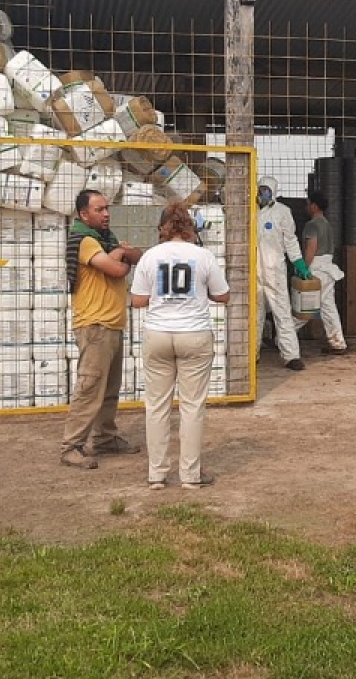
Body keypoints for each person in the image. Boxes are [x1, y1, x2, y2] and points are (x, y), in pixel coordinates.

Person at [130, 202, 230, 489]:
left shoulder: (151, 256)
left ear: (161, 227)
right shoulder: (203, 255)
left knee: (157, 406)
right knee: (192, 407)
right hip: (194, 334)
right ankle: (190, 475)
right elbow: (223, 295)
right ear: (190, 226)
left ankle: (157, 474)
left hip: (158, 333)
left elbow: (137, 300)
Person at [60, 188, 142, 469]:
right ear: (84, 214)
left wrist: (121, 252)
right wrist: (121, 254)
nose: (106, 214)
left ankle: (105, 439)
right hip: (95, 325)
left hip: (112, 324)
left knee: (109, 388)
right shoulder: (85, 242)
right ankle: (72, 446)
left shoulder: (106, 240)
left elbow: (137, 255)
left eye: (106, 208)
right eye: (99, 209)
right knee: (90, 387)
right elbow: (118, 269)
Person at [255, 175, 310, 371]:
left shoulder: (282, 212)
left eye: (267, 190)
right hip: (253, 272)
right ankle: (251, 354)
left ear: (274, 192)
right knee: (254, 314)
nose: (264, 194)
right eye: (261, 190)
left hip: (274, 270)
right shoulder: (250, 211)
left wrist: (299, 263)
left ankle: (291, 355)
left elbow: (291, 241)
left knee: (282, 313)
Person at [302, 190, 348, 355]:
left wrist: (304, 268)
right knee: (328, 307)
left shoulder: (311, 225)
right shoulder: (327, 224)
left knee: (303, 307)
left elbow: (311, 247)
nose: (306, 207)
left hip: (316, 269)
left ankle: (284, 338)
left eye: (308, 204)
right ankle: (338, 342)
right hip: (328, 269)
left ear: (314, 206)